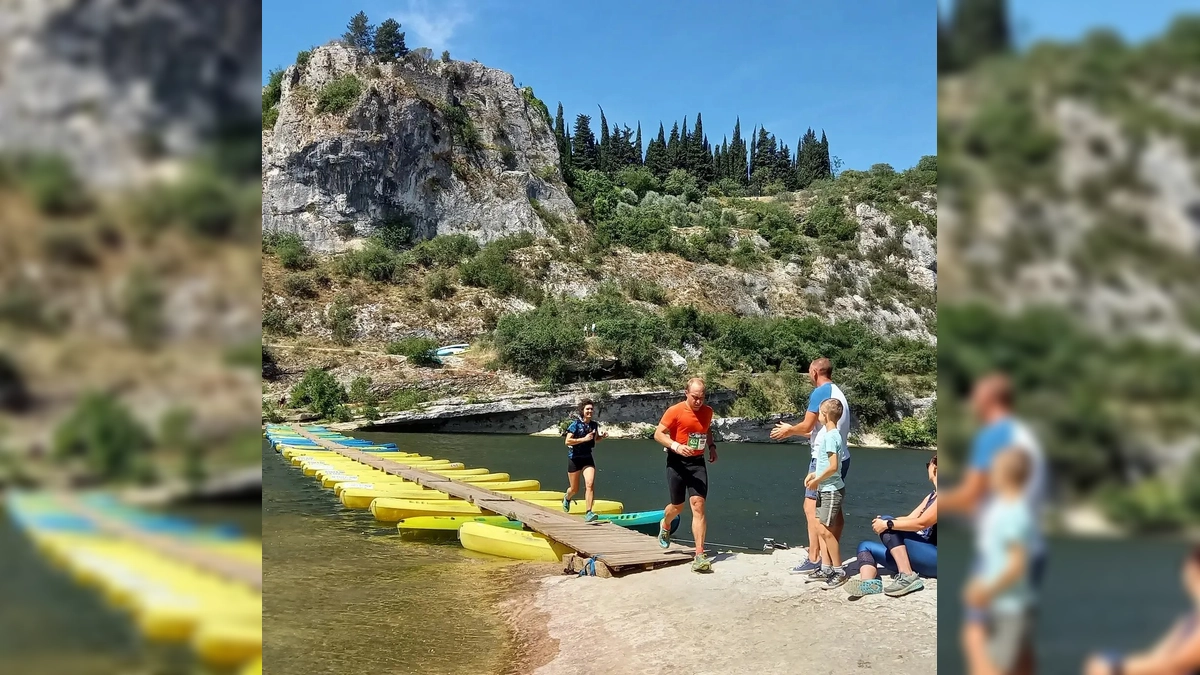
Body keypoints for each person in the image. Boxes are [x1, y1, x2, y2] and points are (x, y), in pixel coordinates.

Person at [942, 373, 1048, 675]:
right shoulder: (1027, 435)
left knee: (976, 633)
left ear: (988, 400)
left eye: (975, 395)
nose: (971, 402)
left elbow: (971, 494)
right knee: (1020, 640)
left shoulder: (994, 436)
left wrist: (936, 503)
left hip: (1001, 550)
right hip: (1034, 545)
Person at [770, 357, 852, 574]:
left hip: (823, 460)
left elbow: (807, 425)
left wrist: (789, 430)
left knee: (811, 509)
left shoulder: (820, 392)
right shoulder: (837, 392)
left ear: (815, 372)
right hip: (843, 456)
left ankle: (815, 558)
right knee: (835, 511)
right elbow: (816, 430)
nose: (808, 375)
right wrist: (799, 431)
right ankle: (828, 556)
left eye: (809, 371)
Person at [962, 448, 1036, 675]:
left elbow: (1017, 564)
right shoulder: (1004, 509)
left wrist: (986, 590)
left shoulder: (1014, 513)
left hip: (1007, 606)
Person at [1083, 545, 1200, 675]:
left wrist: (1116, 667)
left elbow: (1176, 665)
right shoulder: (1188, 620)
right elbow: (1157, 659)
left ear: (1192, 569)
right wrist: (1112, 663)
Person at [844, 454, 938, 598]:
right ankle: (869, 584)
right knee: (865, 546)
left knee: (889, 524)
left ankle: (907, 576)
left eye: (928, 465)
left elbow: (921, 523)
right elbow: (909, 519)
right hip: (920, 557)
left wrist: (888, 523)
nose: (927, 470)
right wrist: (884, 521)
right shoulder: (932, 496)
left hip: (935, 558)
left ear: (935, 469)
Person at [654, 377, 718, 572]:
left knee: (698, 505)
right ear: (686, 394)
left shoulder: (707, 411)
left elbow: (706, 430)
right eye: (695, 397)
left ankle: (699, 554)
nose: (699, 401)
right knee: (677, 506)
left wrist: (711, 447)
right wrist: (676, 446)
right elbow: (658, 434)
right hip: (676, 462)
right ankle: (665, 524)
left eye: (702, 398)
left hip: (697, 463)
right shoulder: (675, 411)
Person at [803, 398, 849, 588]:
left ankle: (839, 570)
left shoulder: (831, 436)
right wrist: (814, 473)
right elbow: (825, 464)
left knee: (826, 531)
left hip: (830, 490)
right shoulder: (831, 434)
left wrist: (817, 480)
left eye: (820, 413)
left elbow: (833, 466)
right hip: (825, 487)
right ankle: (826, 567)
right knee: (821, 528)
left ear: (826, 415)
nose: (819, 416)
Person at [562, 398, 607, 521]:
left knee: (590, 484)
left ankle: (589, 512)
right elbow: (567, 441)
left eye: (592, 409)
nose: (590, 411)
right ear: (583, 410)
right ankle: (567, 497)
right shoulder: (575, 425)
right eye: (587, 409)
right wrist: (584, 439)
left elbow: (594, 439)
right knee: (574, 489)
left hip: (587, 458)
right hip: (575, 459)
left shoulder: (593, 425)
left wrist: (601, 437)